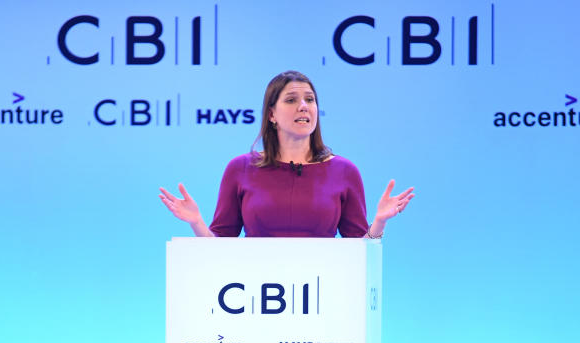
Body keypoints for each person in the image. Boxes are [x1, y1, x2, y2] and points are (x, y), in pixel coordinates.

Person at [159, 70, 413, 238]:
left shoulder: (344, 171)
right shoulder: (240, 169)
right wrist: (197, 223)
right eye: (291, 100)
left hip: (322, 296)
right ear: (271, 115)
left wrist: (379, 222)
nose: (303, 106)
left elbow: (359, 252)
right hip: (255, 296)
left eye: (310, 100)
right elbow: (221, 247)